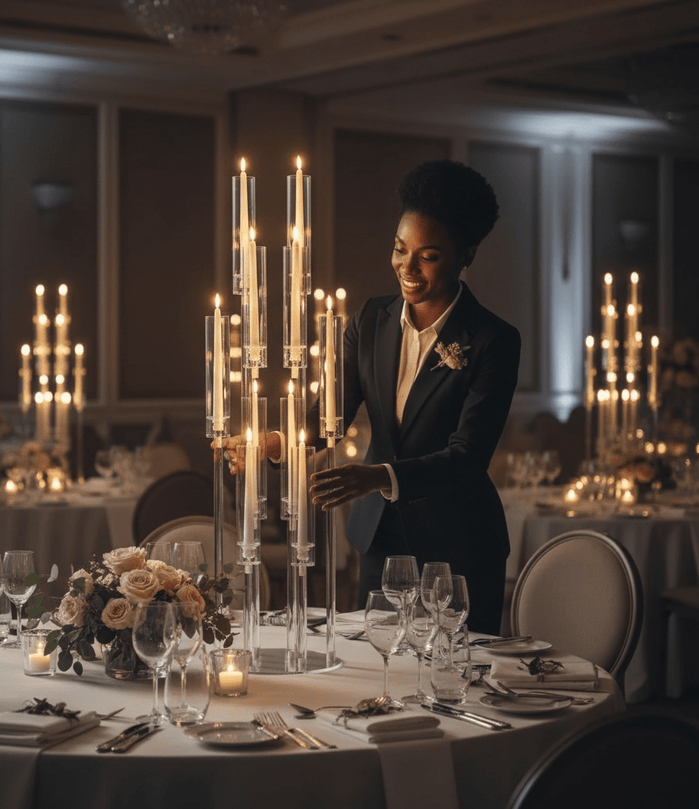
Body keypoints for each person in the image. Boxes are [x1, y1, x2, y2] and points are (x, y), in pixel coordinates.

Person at [221, 160, 520, 634]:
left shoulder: (492, 340)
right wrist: (272, 443)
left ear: (466, 255)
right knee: (377, 662)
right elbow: (327, 419)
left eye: (428, 256)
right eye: (400, 249)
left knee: (457, 667)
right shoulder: (369, 321)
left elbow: (468, 457)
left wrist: (378, 475)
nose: (407, 267)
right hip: (380, 536)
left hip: (459, 544)